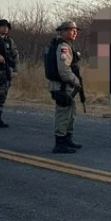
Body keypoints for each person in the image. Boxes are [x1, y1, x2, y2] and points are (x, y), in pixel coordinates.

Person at [44, 21, 83, 153]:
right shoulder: (63, 47)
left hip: (65, 85)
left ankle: (67, 139)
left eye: (76, 30)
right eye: (72, 30)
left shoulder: (63, 44)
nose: (75, 32)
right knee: (63, 113)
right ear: (63, 31)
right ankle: (60, 143)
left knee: (70, 112)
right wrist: (76, 81)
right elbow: (64, 70)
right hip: (61, 86)